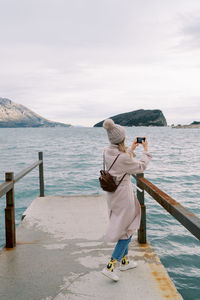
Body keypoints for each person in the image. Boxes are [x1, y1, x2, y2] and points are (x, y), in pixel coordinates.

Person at [101, 119, 152, 282]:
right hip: (123, 196)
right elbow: (140, 167)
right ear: (121, 138)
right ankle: (110, 265)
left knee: (124, 226)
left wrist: (132, 148)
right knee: (129, 230)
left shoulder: (106, 151)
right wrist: (145, 150)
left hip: (112, 195)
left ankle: (125, 261)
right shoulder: (123, 157)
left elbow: (121, 160)